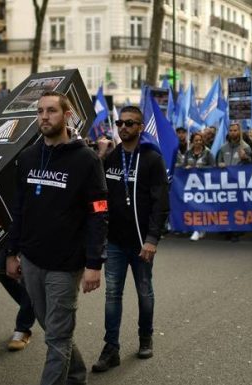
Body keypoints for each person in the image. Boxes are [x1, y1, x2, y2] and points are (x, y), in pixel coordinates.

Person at [6, 91, 108, 385]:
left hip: (66, 264)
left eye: (51, 111)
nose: (44, 117)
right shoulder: (27, 157)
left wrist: (94, 263)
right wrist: (12, 252)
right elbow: (19, 208)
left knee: (58, 336)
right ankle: (76, 375)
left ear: (66, 115)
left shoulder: (86, 159)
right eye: (39, 111)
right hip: (32, 259)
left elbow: (99, 213)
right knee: (52, 329)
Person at [91, 106, 169, 372]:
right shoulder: (111, 157)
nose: (123, 127)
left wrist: (152, 239)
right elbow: (97, 191)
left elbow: (161, 202)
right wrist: (100, 158)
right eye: (120, 123)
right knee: (112, 294)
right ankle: (110, 347)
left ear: (140, 127)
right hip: (114, 242)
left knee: (144, 293)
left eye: (129, 123)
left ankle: (145, 337)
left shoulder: (151, 158)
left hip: (140, 242)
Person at [179, 132, 215, 241]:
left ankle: (202, 228)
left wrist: (201, 168)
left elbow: (213, 167)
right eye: (196, 140)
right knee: (193, 207)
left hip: (204, 184)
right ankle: (196, 229)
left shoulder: (208, 153)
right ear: (192, 142)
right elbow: (183, 166)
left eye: (200, 140)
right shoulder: (188, 153)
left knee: (202, 207)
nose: (198, 142)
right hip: (191, 185)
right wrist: (186, 167)